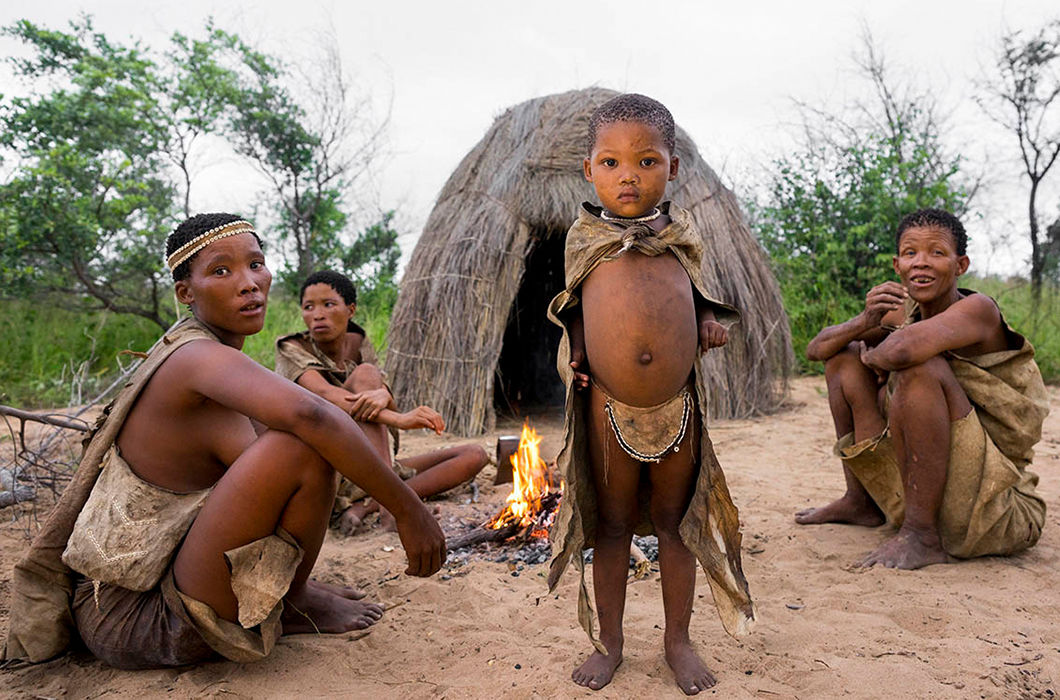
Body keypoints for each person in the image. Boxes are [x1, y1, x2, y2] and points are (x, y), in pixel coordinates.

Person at [3, 214, 446, 670]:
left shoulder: (210, 356)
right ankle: (292, 602)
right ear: (186, 293)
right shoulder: (195, 357)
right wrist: (408, 509)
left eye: (256, 264)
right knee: (302, 440)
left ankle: (293, 597)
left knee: (300, 442)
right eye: (221, 271)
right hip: (136, 617)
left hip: (163, 585)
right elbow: (313, 414)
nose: (249, 283)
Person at [545, 94, 754, 695]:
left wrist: (709, 326)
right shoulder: (583, 237)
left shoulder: (682, 237)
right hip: (607, 405)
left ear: (673, 167)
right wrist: (577, 355)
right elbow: (573, 307)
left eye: (646, 161)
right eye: (610, 163)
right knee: (610, 527)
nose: (627, 175)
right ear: (589, 170)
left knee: (675, 522)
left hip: (677, 407)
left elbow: (696, 302)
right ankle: (609, 643)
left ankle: (677, 641)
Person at [795, 208, 1047, 570]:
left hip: (990, 500)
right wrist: (865, 322)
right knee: (843, 358)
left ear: (961, 266)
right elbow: (817, 350)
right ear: (897, 265)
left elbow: (905, 350)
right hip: (924, 485)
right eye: (911, 253)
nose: (922, 263)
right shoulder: (904, 312)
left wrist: (878, 360)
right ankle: (861, 500)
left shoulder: (978, 309)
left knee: (919, 368)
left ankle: (922, 535)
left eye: (937, 253)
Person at [274, 270, 488, 535]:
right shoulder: (290, 347)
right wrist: (400, 418)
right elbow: (328, 396)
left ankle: (370, 506)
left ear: (350, 310)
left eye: (329, 304)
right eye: (309, 307)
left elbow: (376, 395)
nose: (317, 314)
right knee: (367, 375)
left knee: (475, 455)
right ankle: (393, 510)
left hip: (372, 464)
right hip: (331, 469)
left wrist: (384, 394)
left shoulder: (359, 343)